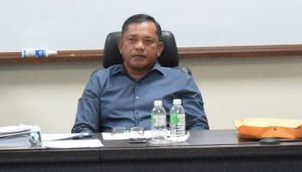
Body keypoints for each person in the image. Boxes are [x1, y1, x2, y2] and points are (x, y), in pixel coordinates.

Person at [73, 14, 208, 134]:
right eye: (132, 40)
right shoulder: (100, 80)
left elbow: (198, 127)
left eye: (148, 41)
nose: (139, 47)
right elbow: (83, 128)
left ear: (159, 48)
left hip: (166, 153)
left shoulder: (181, 80)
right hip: (113, 156)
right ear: (121, 46)